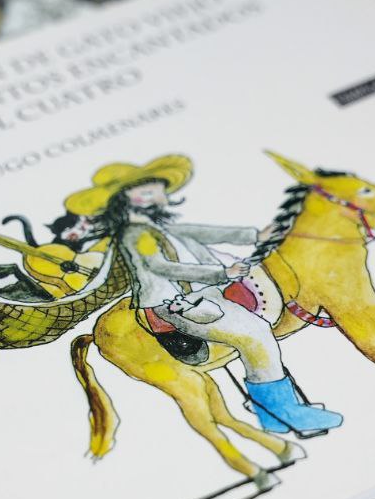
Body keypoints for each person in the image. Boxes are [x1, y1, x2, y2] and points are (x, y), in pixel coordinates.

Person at [65, 155, 343, 434]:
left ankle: (277, 412)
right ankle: (282, 412)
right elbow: (162, 268)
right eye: (147, 192)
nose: (160, 196)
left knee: (256, 326)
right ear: (124, 201)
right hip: (171, 303)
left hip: (201, 293)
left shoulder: (155, 227)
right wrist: (222, 273)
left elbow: (199, 232)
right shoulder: (134, 235)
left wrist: (254, 236)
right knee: (255, 335)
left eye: (157, 191)